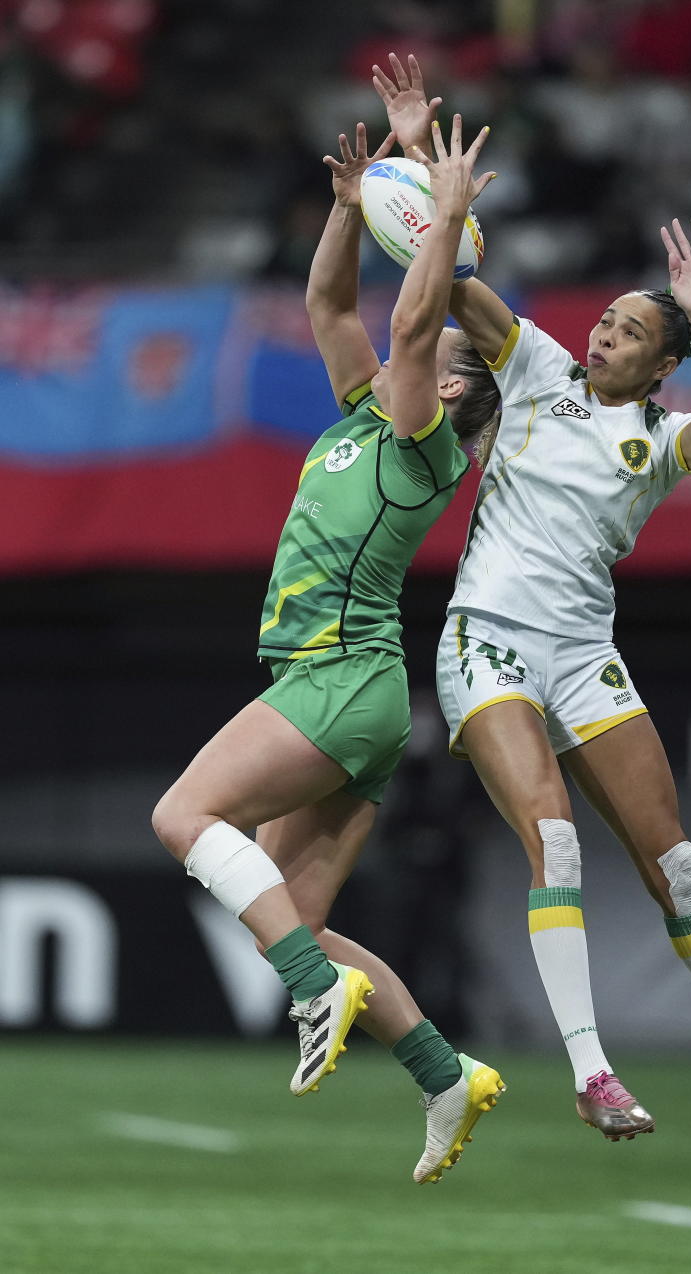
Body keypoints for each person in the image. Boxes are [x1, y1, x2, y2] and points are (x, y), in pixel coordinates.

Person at [373, 53, 691, 1138]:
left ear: (660, 365)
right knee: (556, 842)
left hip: (584, 650)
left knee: (675, 860)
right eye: (608, 321)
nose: (604, 334)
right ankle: (592, 1068)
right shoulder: (538, 366)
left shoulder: (660, 438)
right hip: (488, 640)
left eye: (633, 333)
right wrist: (415, 163)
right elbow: (450, 281)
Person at [152, 115, 505, 1183]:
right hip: (356, 689)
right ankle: (448, 1073)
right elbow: (329, 304)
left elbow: (409, 327)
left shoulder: (420, 438)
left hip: (338, 676)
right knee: (294, 918)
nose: (420, 347)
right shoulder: (366, 411)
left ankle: (316, 988)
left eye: (439, 355)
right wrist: (355, 205)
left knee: (181, 816)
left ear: (448, 392)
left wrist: (441, 215)